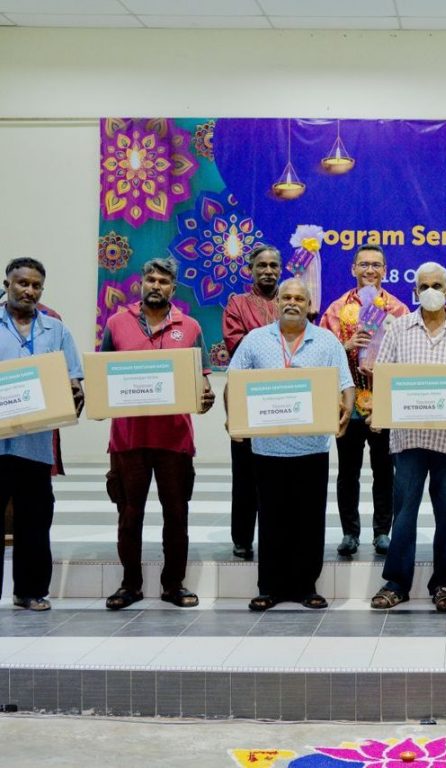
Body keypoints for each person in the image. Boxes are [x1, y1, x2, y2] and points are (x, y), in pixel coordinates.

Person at [228, 278, 354, 611]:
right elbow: (234, 383)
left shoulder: (327, 342)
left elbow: (346, 385)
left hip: (312, 448)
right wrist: (233, 419)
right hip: (267, 450)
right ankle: (269, 587)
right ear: (277, 302)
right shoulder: (255, 341)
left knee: (309, 520)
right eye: (286, 297)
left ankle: (305, 586)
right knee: (271, 519)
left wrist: (345, 412)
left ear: (309, 304)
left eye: (299, 297)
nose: (292, 302)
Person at [369, 262, 446, 614]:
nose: (431, 290)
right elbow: (383, 376)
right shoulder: (399, 328)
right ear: (414, 292)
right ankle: (396, 583)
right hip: (408, 437)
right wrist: (378, 411)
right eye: (424, 285)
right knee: (403, 512)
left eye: (437, 284)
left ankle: (444, 584)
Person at [102, 257, 216, 610]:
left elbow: (203, 381)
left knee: (176, 515)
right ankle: (130, 585)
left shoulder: (192, 327)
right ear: (140, 283)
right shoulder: (116, 323)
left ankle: (173, 585)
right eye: (150, 279)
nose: (156, 285)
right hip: (128, 440)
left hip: (174, 440)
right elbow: (104, 375)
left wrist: (206, 396)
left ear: (173, 288)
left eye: (164, 281)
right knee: (129, 515)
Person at [0, 258, 84, 611]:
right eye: (22, 283)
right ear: (7, 283)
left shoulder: (56, 331)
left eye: (36, 286)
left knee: (35, 520)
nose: (29, 290)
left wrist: (73, 395)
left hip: (36, 446)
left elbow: (75, 383)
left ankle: (31, 591)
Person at [320, 243, 408, 557]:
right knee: (348, 471)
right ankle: (349, 532)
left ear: (385, 270)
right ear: (353, 269)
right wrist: (346, 344)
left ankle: (383, 531)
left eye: (376, 265)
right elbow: (321, 355)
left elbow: (408, 357)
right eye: (364, 264)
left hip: (383, 403)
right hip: (348, 402)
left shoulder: (397, 310)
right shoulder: (336, 308)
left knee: (385, 471)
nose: (370, 270)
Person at [222, 244, 282, 561]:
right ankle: (242, 538)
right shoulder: (237, 304)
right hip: (248, 400)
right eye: (262, 265)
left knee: (279, 476)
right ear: (251, 269)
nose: (268, 271)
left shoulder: (290, 302)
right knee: (245, 475)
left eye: (273, 265)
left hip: (286, 400)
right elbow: (239, 346)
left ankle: (278, 537)